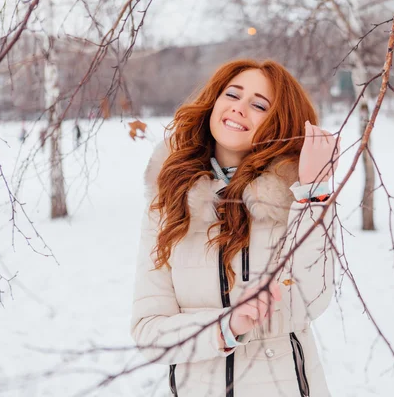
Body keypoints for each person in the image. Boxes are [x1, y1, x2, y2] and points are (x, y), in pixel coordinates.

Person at [130, 59, 340, 397]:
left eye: (259, 104)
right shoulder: (168, 200)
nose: (239, 108)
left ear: (278, 122)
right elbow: (149, 331)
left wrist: (314, 192)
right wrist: (225, 327)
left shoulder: (297, 197)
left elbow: (308, 302)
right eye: (232, 94)